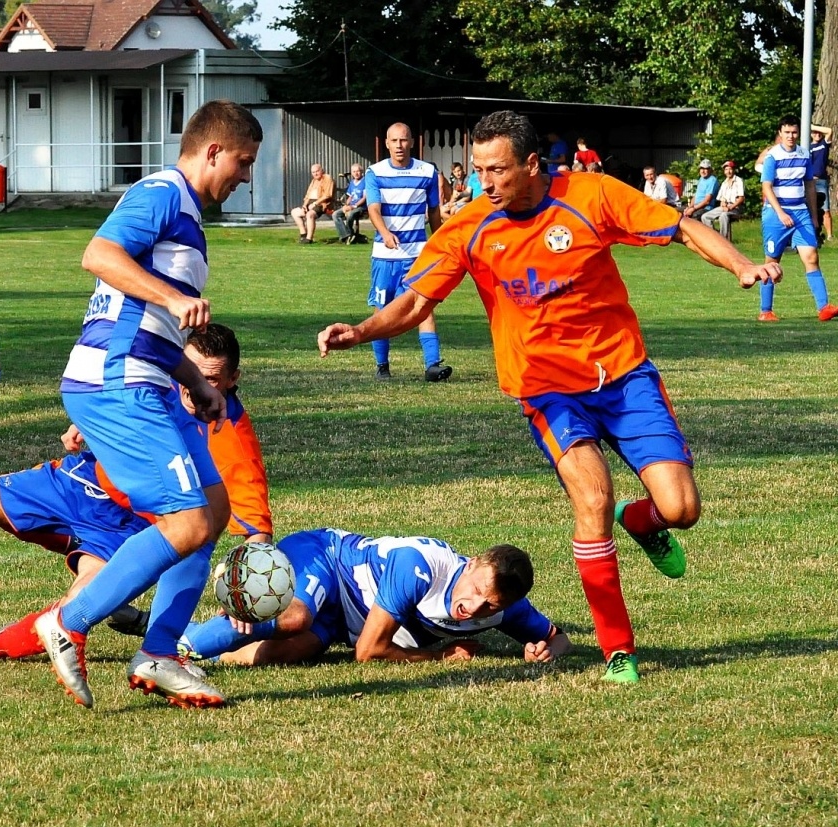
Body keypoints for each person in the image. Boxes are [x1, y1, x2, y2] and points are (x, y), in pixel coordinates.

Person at [318, 109, 782, 683]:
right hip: (546, 391)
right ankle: (619, 652)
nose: (483, 183)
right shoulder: (469, 228)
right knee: (592, 501)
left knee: (682, 509)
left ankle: (641, 522)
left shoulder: (588, 195)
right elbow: (415, 302)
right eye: (478, 170)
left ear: (532, 164)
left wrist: (739, 263)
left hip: (623, 375)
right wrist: (361, 331)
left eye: (497, 170)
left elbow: (681, 226)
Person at [34, 99, 262, 710]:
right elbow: (98, 256)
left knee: (212, 511)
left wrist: (197, 377)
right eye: (242, 163)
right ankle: (68, 621)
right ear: (212, 150)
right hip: (115, 382)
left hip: (151, 378)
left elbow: (154, 322)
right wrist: (169, 295)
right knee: (186, 521)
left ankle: (158, 654)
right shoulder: (162, 192)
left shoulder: (185, 212)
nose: (245, 177)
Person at [0, 323, 271, 661]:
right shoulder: (167, 383)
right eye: (193, 373)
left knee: (80, 602)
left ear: (233, 378)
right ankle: (103, 581)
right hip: (83, 480)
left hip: (128, 526)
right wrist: (89, 423)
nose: (194, 389)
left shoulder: (233, 442)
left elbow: (256, 532)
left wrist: (244, 594)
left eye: (212, 379)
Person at [178, 531, 571, 669]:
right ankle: (175, 649)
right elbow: (368, 651)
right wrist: (441, 657)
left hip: (339, 621)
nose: (475, 608)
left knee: (279, 654)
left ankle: (190, 640)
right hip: (326, 558)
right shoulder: (419, 567)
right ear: (471, 565)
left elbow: (560, 638)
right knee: (295, 618)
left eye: (491, 607)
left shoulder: (506, 607)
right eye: (478, 593)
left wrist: (545, 650)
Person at [364, 122, 449, 383]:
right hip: (385, 257)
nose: (399, 146)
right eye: (394, 141)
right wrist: (385, 233)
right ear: (387, 143)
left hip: (417, 255)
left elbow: (434, 211)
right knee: (382, 311)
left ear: (412, 142)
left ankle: (432, 365)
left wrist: (440, 243)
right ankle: (382, 366)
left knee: (424, 308)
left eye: (404, 140)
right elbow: (374, 209)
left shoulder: (427, 172)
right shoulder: (375, 172)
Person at [759, 117, 838, 323]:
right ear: (780, 132)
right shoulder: (772, 157)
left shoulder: (804, 154)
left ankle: (824, 308)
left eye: (794, 132)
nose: (791, 136)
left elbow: (809, 186)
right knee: (772, 263)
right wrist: (781, 213)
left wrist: (814, 216)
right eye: (787, 132)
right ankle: (765, 310)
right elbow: (766, 187)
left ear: (799, 133)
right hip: (775, 214)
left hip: (800, 213)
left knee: (812, 257)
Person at [291, 162, 335, 243]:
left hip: (322, 203)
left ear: (322, 171)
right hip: (310, 203)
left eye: (317, 171)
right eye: (313, 172)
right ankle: (303, 234)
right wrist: (304, 205)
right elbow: (308, 195)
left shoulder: (327, 178)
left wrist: (315, 203)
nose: (315, 173)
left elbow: (327, 195)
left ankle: (309, 238)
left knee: (309, 214)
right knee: (294, 212)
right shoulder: (314, 181)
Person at [701, 160, 745, 238]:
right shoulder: (724, 183)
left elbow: (741, 198)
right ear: (724, 171)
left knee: (723, 215)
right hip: (725, 207)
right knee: (705, 217)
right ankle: (715, 236)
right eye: (726, 169)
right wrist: (723, 204)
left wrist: (731, 207)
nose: (728, 171)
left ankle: (723, 238)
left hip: (736, 207)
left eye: (730, 169)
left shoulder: (739, 181)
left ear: (734, 170)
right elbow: (721, 198)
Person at [808, 125, 833, 243]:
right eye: (814, 132)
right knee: (810, 208)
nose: (817, 134)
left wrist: (812, 125)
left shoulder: (824, 144)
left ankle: (829, 235)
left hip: (821, 180)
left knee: (825, 209)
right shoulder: (807, 146)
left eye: (819, 133)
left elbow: (829, 131)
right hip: (809, 182)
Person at [333, 162, 367, 243]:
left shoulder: (365, 181)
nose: (356, 173)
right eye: (354, 172)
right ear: (351, 173)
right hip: (351, 205)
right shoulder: (352, 183)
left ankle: (350, 235)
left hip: (361, 206)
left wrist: (353, 206)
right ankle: (346, 235)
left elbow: (365, 198)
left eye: (358, 171)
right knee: (335, 214)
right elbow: (350, 196)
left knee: (351, 215)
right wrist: (346, 205)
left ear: (362, 172)